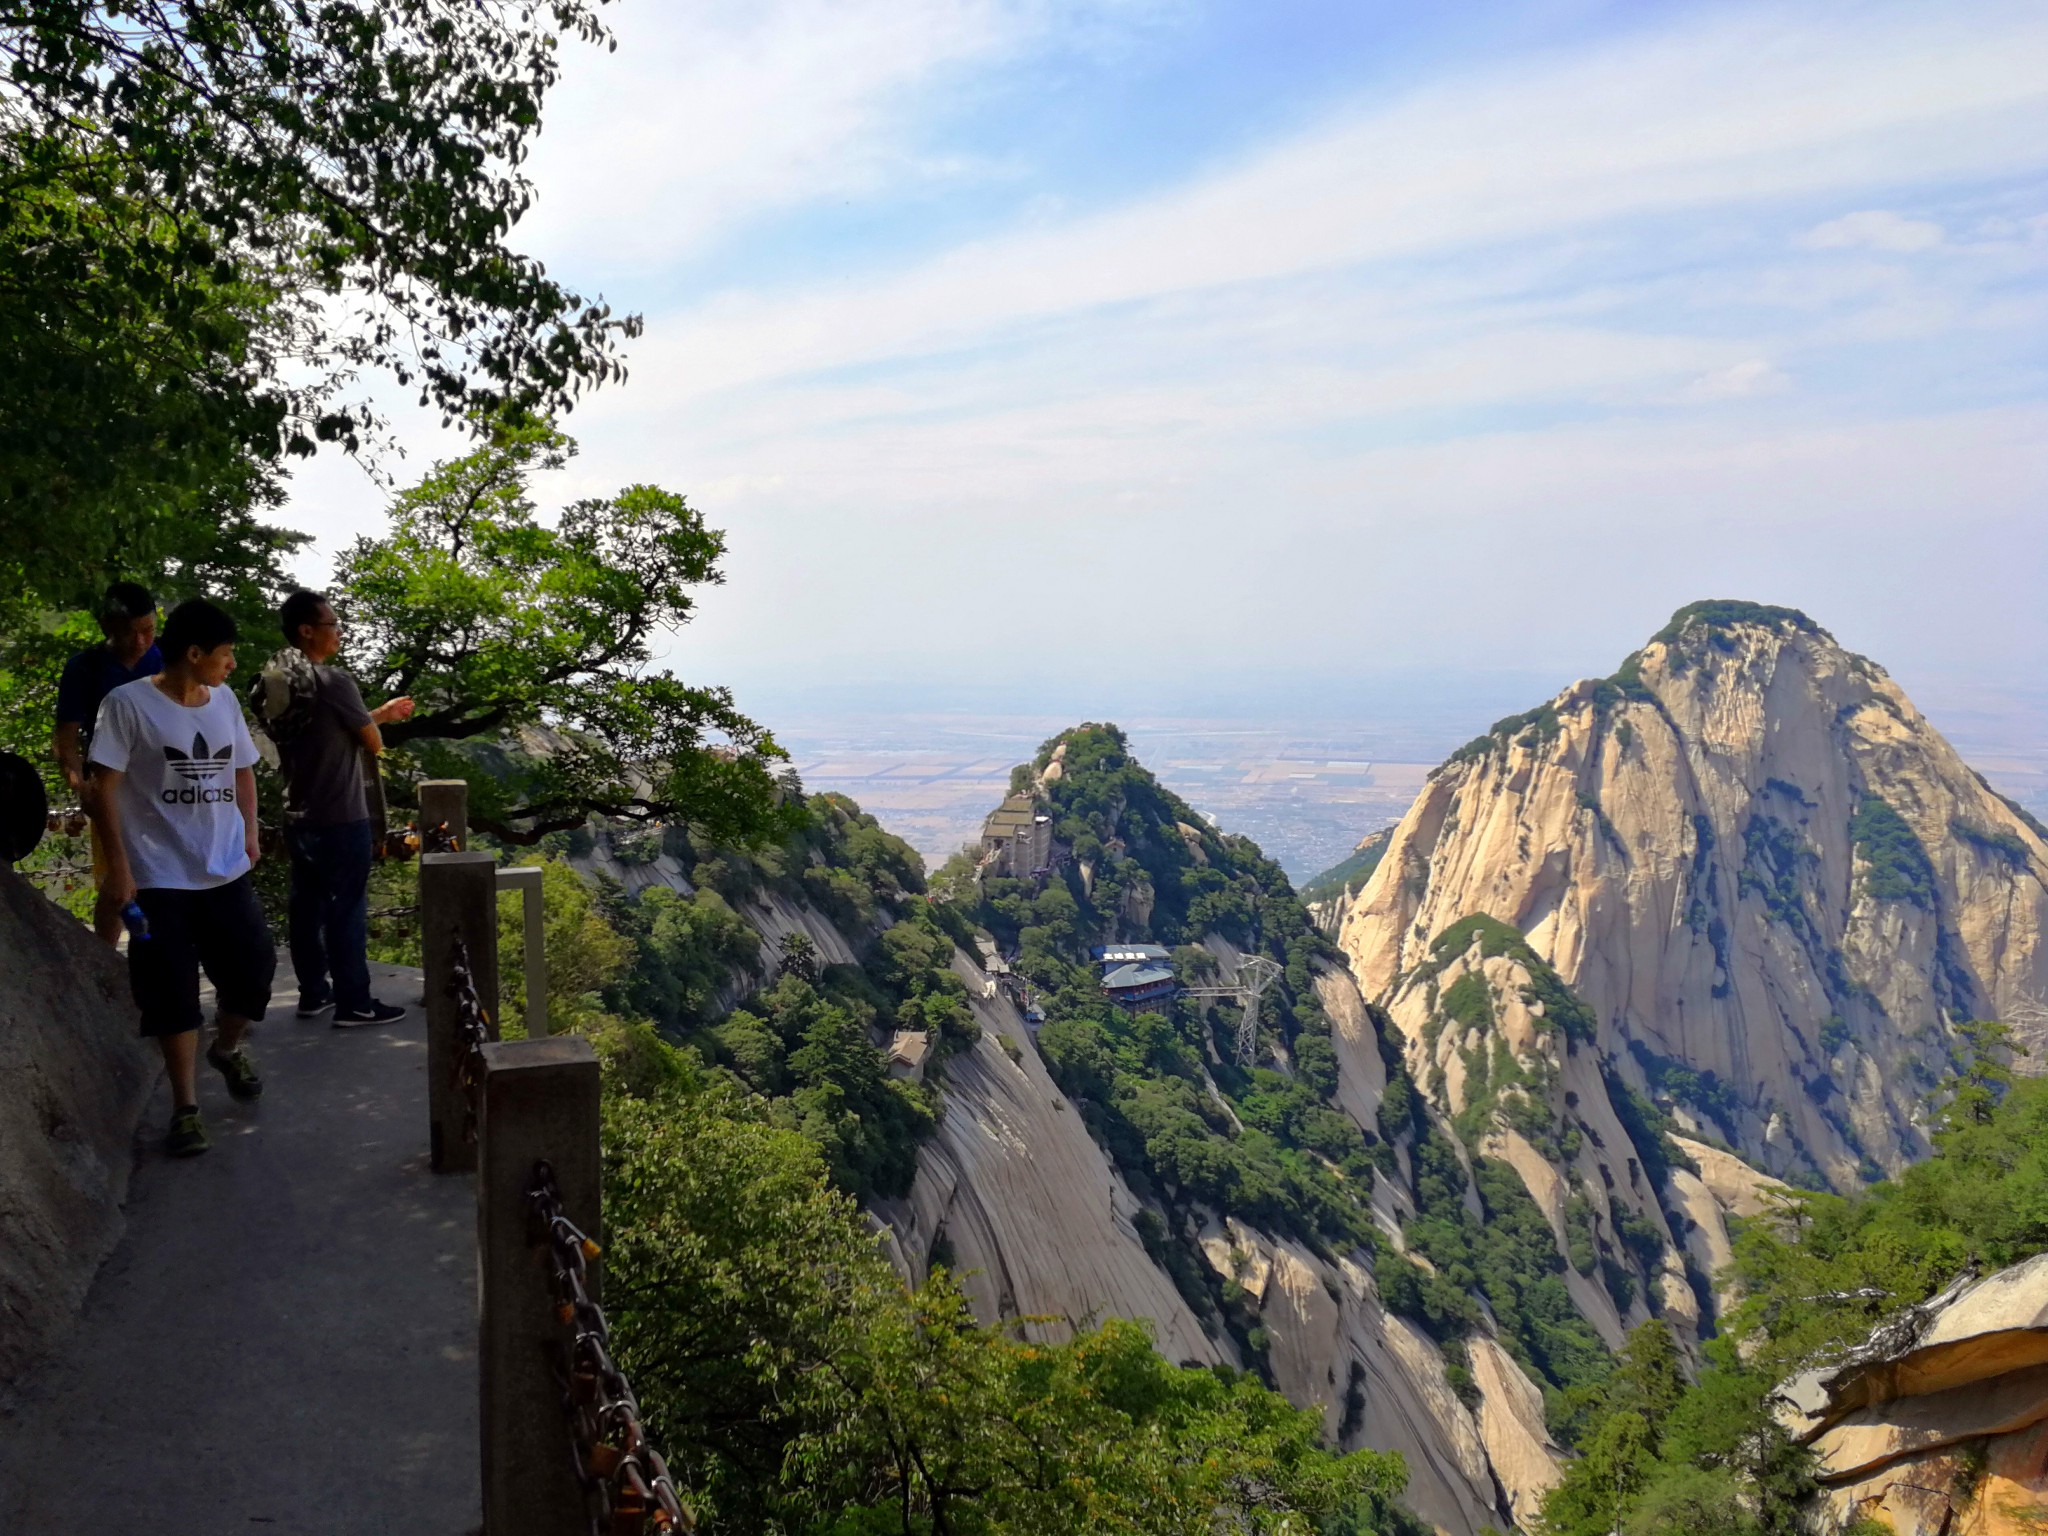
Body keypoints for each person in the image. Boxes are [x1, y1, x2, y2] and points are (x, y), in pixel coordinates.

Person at [89, 598, 275, 1158]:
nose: (232, 665)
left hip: (223, 867)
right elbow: (104, 791)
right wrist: (121, 873)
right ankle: (186, 1107)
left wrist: (251, 830)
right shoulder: (127, 705)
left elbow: (241, 767)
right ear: (194, 654)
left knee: (254, 969)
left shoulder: (223, 701)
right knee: (171, 992)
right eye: (225, 655)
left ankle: (227, 1046)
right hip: (159, 874)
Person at [275, 589, 414, 1026]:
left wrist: (381, 713)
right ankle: (355, 1001)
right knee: (346, 910)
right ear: (307, 630)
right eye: (333, 624)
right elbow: (370, 741)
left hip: (298, 812)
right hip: (340, 814)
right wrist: (380, 724)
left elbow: (327, 733)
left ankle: (314, 993)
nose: (339, 632)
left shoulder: (276, 680)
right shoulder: (332, 681)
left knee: (306, 907)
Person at [54, 581, 163, 944]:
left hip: (165, 789)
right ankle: (104, 964)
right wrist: (78, 785)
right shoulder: (85, 668)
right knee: (117, 884)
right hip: (111, 791)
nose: (140, 642)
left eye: (148, 631)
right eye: (130, 634)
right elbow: (66, 740)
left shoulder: (167, 661)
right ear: (108, 628)